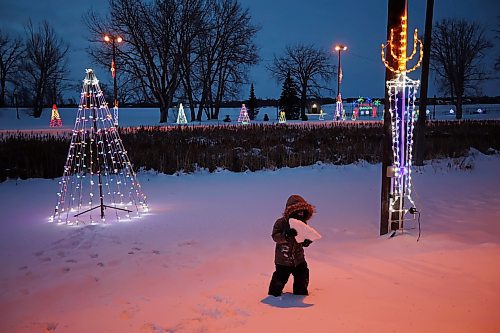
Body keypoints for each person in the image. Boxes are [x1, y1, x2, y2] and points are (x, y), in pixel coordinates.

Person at [268, 194, 316, 297]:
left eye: (302, 211)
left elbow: (302, 238)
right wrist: (286, 235)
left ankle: (300, 294)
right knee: (279, 279)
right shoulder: (281, 223)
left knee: (302, 277)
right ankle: (273, 295)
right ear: (291, 211)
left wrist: (306, 242)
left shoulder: (302, 223)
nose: (301, 213)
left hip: (299, 260)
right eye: (298, 211)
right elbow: (275, 236)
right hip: (283, 260)